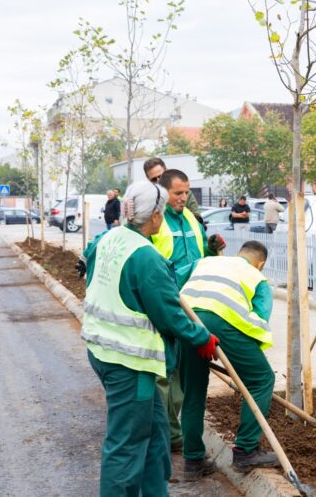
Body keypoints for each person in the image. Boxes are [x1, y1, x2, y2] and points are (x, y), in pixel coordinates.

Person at [80, 181, 220, 495]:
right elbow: (170, 315)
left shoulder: (110, 237)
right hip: (130, 363)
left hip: (103, 349)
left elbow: (89, 262)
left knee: (157, 437)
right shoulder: (146, 257)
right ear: (155, 217)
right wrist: (201, 337)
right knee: (126, 446)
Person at [179, 240, 280, 474]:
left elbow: (174, 281)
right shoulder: (258, 278)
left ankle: (193, 460)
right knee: (261, 379)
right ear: (260, 264)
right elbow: (259, 321)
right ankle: (246, 451)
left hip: (186, 321)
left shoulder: (205, 261)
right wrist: (246, 361)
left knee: (193, 391)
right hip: (222, 322)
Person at [152, 168, 227, 455]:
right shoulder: (157, 223)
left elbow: (201, 260)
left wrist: (210, 250)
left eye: (187, 193)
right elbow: (155, 267)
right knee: (167, 372)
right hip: (167, 305)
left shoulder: (193, 223)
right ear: (164, 192)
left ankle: (174, 431)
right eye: (178, 193)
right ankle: (171, 434)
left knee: (182, 374)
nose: (184, 198)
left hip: (194, 307)